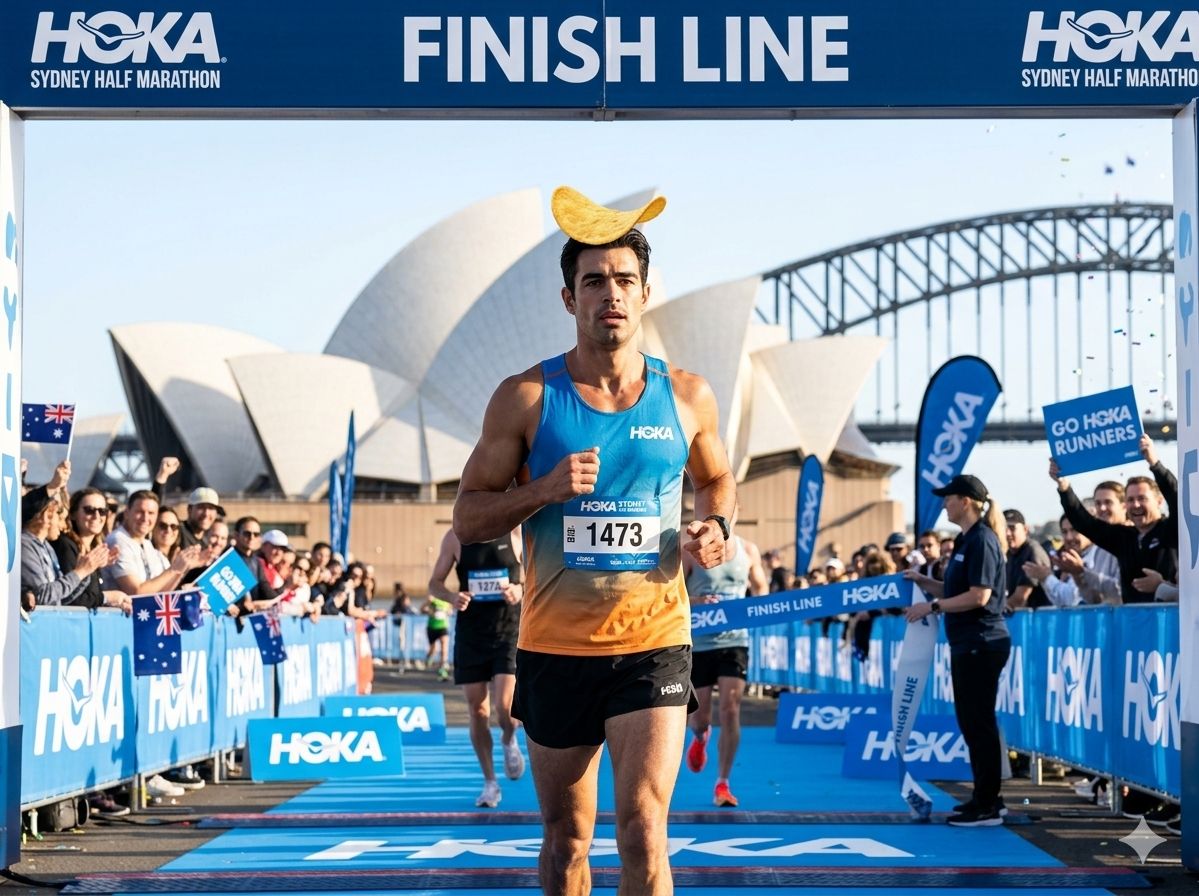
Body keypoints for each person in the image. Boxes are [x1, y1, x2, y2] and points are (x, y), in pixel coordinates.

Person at [452, 187, 735, 896]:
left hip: (653, 643)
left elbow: (719, 477)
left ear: (644, 295)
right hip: (553, 649)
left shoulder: (687, 396)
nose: (609, 294)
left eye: (622, 282)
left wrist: (715, 525)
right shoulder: (525, 397)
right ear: (567, 298)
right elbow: (468, 517)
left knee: (642, 829)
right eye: (593, 282)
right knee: (568, 841)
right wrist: (540, 490)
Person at [903, 473, 1009, 827]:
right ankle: (985, 797)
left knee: (979, 723)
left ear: (966, 501)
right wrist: (923, 582)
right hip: (969, 643)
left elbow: (980, 597)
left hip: (982, 641)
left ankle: (989, 804)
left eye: (949, 498)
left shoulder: (982, 540)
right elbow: (953, 590)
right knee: (972, 722)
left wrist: (931, 607)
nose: (944, 503)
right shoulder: (967, 540)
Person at [429, 527, 526, 808]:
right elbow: (434, 583)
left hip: (508, 631)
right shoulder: (456, 537)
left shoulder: (516, 532)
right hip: (471, 635)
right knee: (477, 709)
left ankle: (509, 738)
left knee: (504, 707)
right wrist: (451, 597)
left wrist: (519, 589)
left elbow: (538, 576)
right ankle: (490, 783)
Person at [683, 516, 768, 808]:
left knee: (731, 709)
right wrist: (697, 602)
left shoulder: (748, 550)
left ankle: (723, 783)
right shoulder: (691, 550)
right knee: (701, 716)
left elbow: (761, 588)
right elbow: (672, 593)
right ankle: (701, 735)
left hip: (735, 641)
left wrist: (754, 605)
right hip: (701, 642)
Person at [422, 592, 452, 679]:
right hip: (432, 627)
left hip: (443, 627)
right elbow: (422, 609)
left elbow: (450, 611)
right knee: (433, 649)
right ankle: (428, 658)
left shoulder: (447, 601)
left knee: (444, 648)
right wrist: (427, 603)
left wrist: (448, 612)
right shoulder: (432, 600)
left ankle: (442, 669)